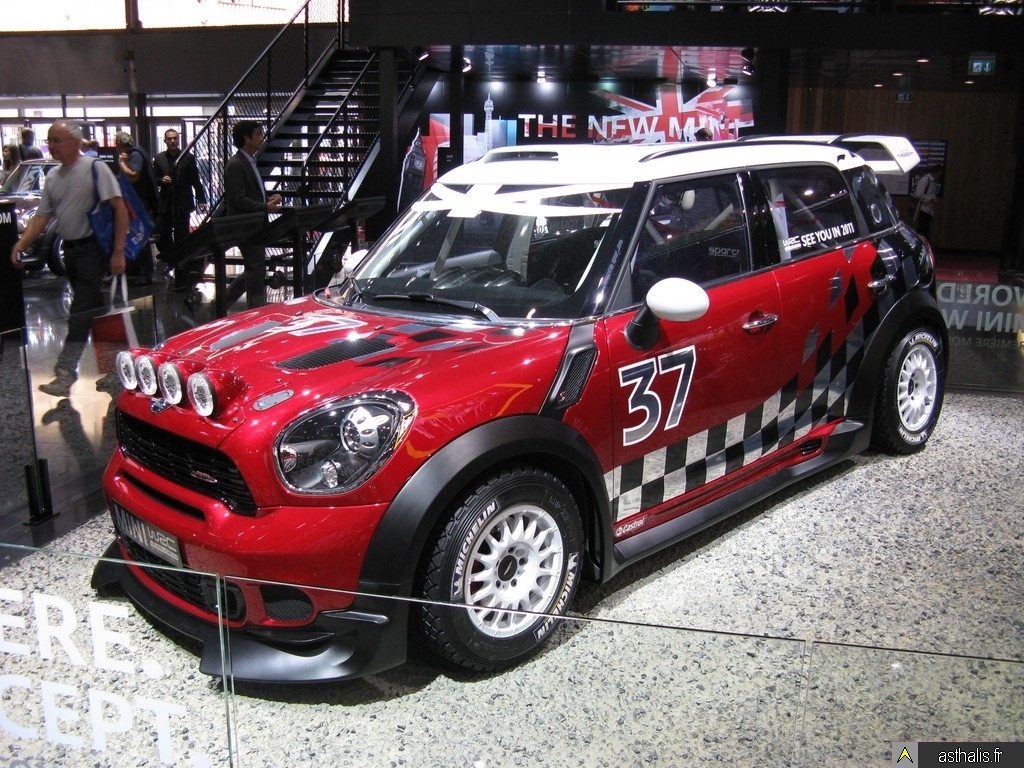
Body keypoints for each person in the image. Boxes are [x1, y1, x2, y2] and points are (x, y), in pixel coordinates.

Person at [10, 121, 128, 398]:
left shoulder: (95, 168)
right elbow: (42, 217)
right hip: (72, 253)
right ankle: (117, 370)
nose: (51, 146)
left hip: (93, 250)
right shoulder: (53, 178)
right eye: (49, 140)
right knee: (96, 311)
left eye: (57, 140)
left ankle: (65, 371)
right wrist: (22, 243)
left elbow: (120, 208)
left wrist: (118, 251)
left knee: (80, 312)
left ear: (74, 142)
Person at [224, 120, 282, 309]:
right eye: (257, 134)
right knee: (256, 268)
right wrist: (265, 207)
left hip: (255, 225)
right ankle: (250, 307)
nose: (261, 138)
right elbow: (238, 199)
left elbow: (251, 192)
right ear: (246, 138)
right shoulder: (236, 164)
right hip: (245, 226)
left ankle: (228, 303)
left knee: (255, 268)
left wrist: (269, 198)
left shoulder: (250, 162)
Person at [153, 128, 206, 258]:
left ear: (178, 140)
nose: (173, 141)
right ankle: (168, 255)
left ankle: (180, 258)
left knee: (182, 232)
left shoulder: (188, 157)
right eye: (169, 139)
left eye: (175, 138)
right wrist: (161, 180)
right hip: (166, 201)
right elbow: (154, 177)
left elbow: (195, 180)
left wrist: (201, 199)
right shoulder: (159, 158)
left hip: (183, 200)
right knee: (163, 231)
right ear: (165, 141)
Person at [114, 131, 158, 284]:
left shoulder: (135, 155)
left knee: (140, 235)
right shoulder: (135, 154)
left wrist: (121, 163)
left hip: (139, 202)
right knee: (134, 235)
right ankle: (135, 271)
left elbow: (133, 175)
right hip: (134, 201)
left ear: (118, 144)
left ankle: (145, 273)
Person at [912, 165, 943, 239]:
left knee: (924, 232)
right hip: (923, 209)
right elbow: (919, 194)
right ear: (934, 173)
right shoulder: (925, 179)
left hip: (929, 210)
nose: (939, 177)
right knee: (923, 233)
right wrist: (931, 199)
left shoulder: (933, 182)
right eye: (938, 175)